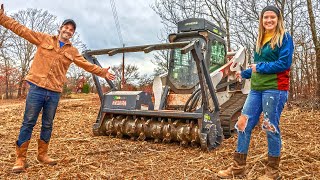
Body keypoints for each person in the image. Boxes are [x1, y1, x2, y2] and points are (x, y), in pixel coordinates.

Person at [0, 4, 115, 173]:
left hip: (54, 92)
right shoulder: (44, 39)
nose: (68, 31)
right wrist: (3, 18)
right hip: (37, 89)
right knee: (28, 122)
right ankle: (20, 158)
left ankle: (42, 154)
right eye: (66, 27)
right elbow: (22, 30)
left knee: (47, 124)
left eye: (71, 30)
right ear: (60, 28)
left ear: (72, 34)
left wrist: (102, 72)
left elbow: (86, 65)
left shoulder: (73, 51)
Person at [217, 5, 294, 179]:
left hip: (274, 89)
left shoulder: (285, 38)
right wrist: (243, 73)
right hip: (256, 89)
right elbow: (257, 68)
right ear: (261, 20)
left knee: (270, 127)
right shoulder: (260, 39)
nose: (269, 20)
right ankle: (238, 168)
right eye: (265, 17)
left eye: (272, 17)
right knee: (243, 125)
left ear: (278, 19)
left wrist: (258, 67)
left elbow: (284, 64)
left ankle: (273, 172)